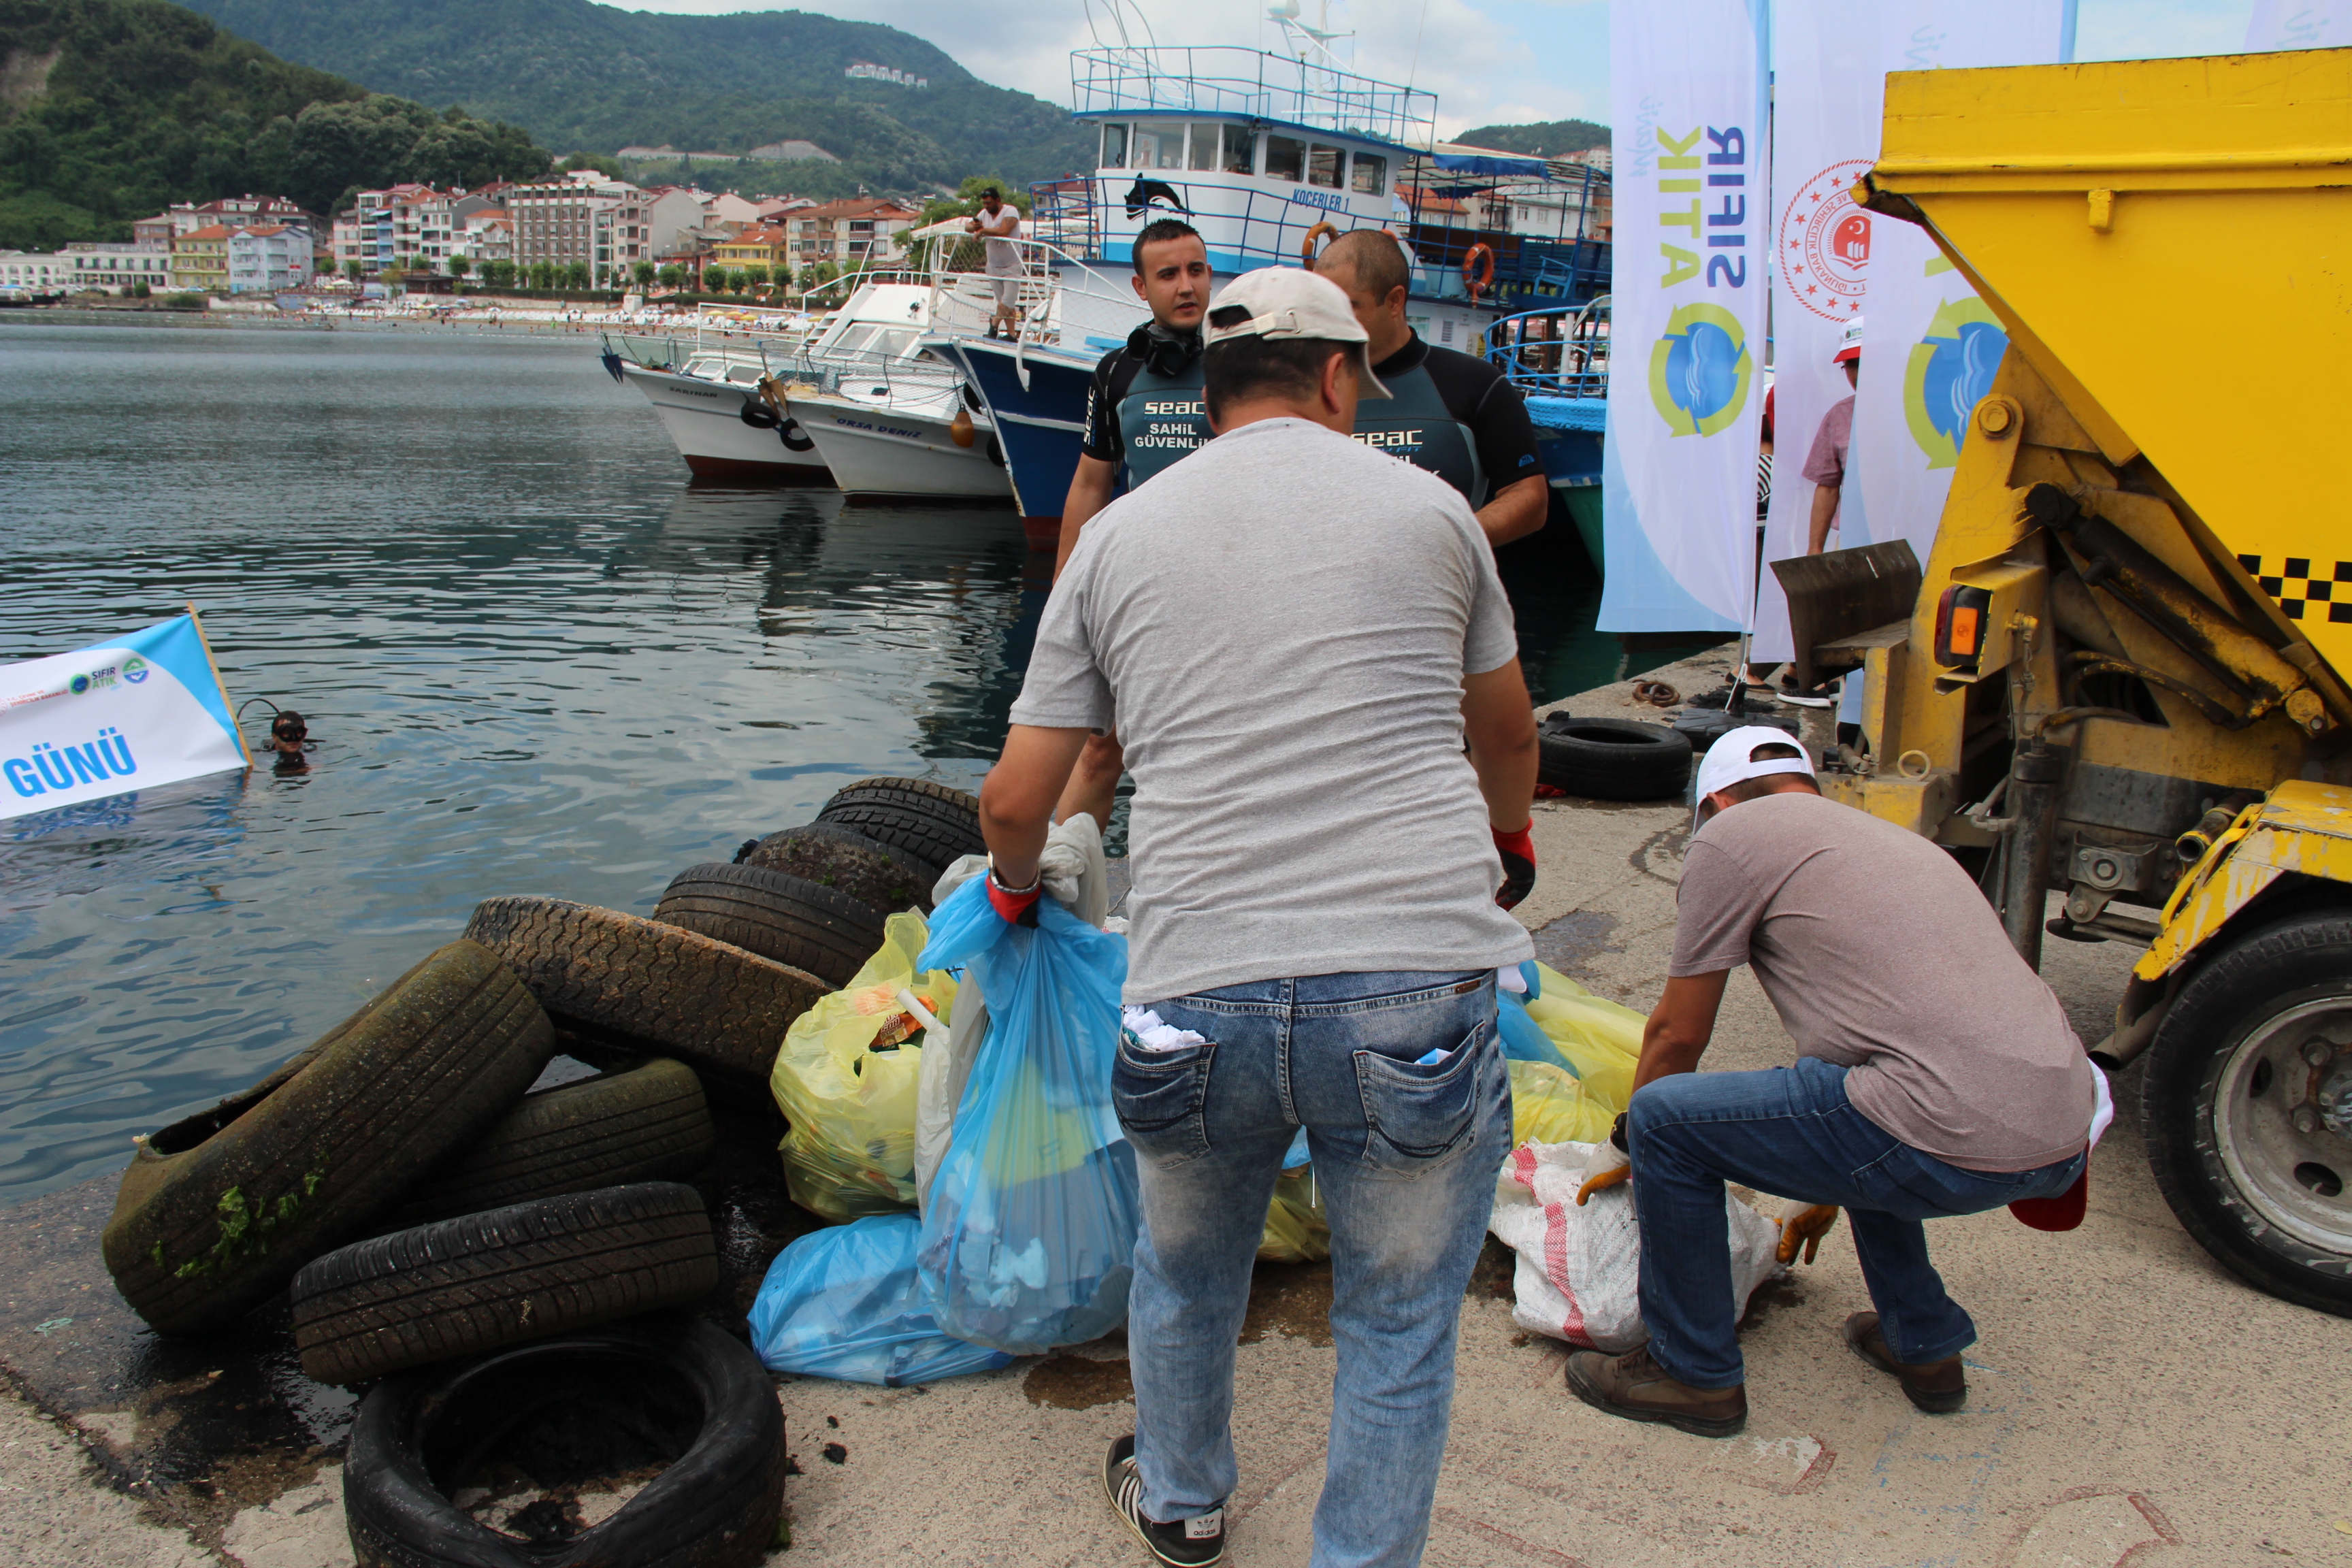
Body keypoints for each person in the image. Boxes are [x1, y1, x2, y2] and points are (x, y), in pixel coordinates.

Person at [977, 264, 1540, 1568]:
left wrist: (1017, 887)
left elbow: (1018, 797)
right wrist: (1506, 846)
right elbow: (1504, 729)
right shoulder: (1433, 512)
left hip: (1197, 988)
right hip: (1410, 981)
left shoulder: (1118, 536)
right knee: (1397, 1315)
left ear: (1214, 385)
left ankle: (1181, 1502)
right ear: (1343, 376)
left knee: (1185, 1273)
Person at [1563, 729, 2108, 1439]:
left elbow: (1678, 1033)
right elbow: (1894, 1054)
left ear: (1717, 803)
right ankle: (1927, 1346)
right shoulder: (1891, 842)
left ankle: (1691, 1375)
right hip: (2064, 1135)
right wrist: (1829, 1180)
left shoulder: (1732, 837)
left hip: (1947, 1136)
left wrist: (1625, 1147)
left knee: (1664, 1119)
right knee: (1868, 1089)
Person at [1050, 217, 1215, 831]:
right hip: (1142, 590)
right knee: (1099, 749)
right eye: (1168, 274)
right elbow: (1091, 484)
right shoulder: (1116, 373)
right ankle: (1064, 900)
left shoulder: (1240, 366)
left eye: (1196, 270)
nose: (1186, 285)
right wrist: (1065, 592)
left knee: (1207, 757)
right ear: (1142, 288)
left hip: (1228, 585)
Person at [1311, 229, 1550, 547]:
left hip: (1438, 587)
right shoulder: (1301, 387)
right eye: (1321, 306)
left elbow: (1530, 497)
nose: (1330, 321)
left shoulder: (1476, 384)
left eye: (1347, 306)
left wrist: (1450, 542)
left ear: (1395, 301)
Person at [967, 188, 1024, 339]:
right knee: (1004, 304)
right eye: (984, 203)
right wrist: (975, 227)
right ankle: (1012, 335)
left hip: (1012, 265)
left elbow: (1004, 230)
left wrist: (983, 231)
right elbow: (968, 226)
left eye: (989, 203)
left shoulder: (1010, 211)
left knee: (1007, 301)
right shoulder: (984, 214)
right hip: (993, 265)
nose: (986, 206)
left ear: (998, 200)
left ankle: (994, 324)